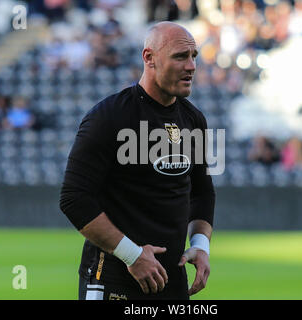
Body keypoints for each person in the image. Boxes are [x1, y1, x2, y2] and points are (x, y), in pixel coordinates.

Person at [60, 21, 216, 300]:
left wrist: (201, 245)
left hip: (171, 282)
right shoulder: (109, 116)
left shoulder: (193, 120)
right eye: (180, 56)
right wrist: (133, 256)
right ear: (149, 58)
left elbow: (202, 192)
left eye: (194, 57)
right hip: (113, 281)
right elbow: (74, 198)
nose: (191, 66)